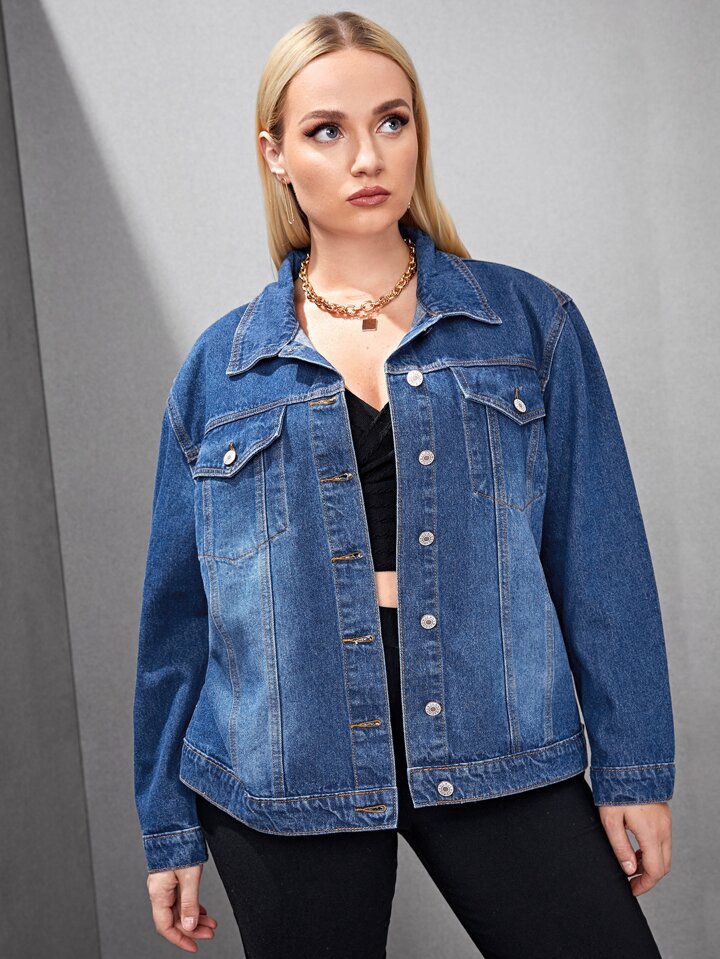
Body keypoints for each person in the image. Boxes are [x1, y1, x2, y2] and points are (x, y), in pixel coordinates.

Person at [133, 11, 675, 958]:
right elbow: (178, 620)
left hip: (500, 731)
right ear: (275, 153)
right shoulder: (222, 369)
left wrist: (634, 768)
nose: (367, 156)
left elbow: (601, 558)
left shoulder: (529, 325)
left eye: (392, 120)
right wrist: (167, 826)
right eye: (326, 130)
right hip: (284, 761)